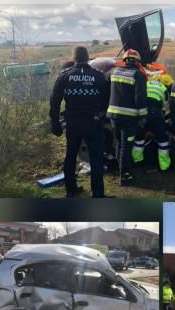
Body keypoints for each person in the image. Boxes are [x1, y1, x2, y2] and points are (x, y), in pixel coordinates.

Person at [49, 46, 109, 198]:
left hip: (73, 123)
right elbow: (106, 100)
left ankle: (71, 190)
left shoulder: (64, 75)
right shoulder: (98, 76)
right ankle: (98, 194)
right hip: (93, 124)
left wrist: (55, 123)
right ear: (88, 58)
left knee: (70, 156)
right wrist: (101, 116)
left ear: (74, 58)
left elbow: (55, 101)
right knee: (96, 158)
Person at [107, 49, 147, 186]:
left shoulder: (113, 72)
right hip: (128, 118)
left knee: (118, 142)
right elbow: (140, 98)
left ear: (124, 60)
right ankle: (125, 176)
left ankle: (121, 170)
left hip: (113, 116)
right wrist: (142, 117)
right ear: (137, 61)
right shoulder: (138, 74)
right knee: (126, 146)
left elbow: (105, 87)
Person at [132, 74, 173, 171]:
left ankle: (137, 161)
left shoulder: (146, 83)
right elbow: (166, 108)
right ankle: (164, 166)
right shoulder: (164, 88)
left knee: (139, 138)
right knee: (162, 140)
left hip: (142, 112)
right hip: (156, 113)